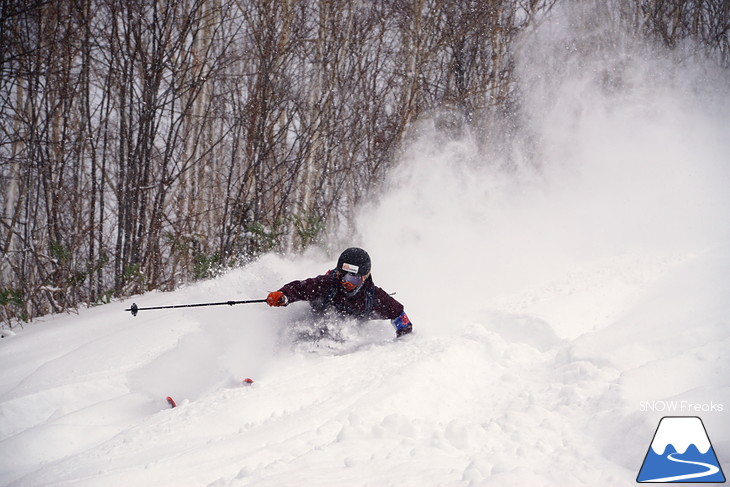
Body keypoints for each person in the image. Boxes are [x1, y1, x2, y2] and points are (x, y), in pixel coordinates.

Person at [266, 247, 413, 338]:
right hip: (311, 327)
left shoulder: (375, 298)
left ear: (365, 277)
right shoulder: (327, 283)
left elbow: (400, 316)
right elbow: (300, 288)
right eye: (343, 276)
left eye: (353, 279)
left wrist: (402, 342)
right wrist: (283, 296)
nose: (346, 283)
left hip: (342, 347)